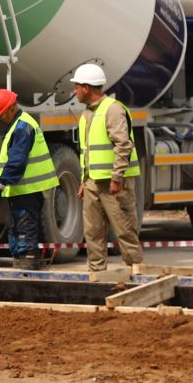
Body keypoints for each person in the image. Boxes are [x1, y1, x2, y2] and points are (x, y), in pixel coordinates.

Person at [72, 62, 146, 274]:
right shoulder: (87, 114)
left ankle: (135, 275)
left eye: (77, 86)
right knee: (93, 232)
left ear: (87, 88)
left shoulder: (112, 110)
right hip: (94, 182)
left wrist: (116, 178)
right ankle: (97, 276)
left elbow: (123, 145)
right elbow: (87, 152)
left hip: (115, 184)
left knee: (125, 232)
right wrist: (84, 181)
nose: (74, 91)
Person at [0, 88, 59, 270]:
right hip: (22, 189)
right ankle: (21, 263)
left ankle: (27, 266)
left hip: (28, 190)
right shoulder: (17, 125)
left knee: (25, 231)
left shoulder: (22, 127)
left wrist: (0, 184)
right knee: (17, 228)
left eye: (2, 115)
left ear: (11, 108)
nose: (1, 120)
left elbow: (17, 162)